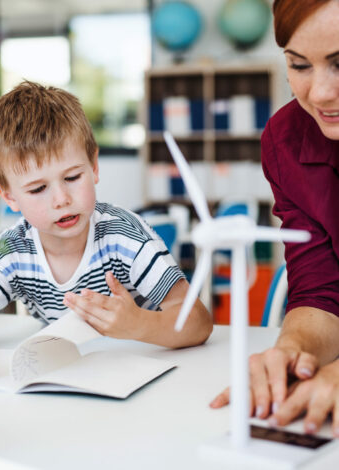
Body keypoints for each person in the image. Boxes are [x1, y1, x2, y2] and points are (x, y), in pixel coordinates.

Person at [0, 80, 213, 384]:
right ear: (9, 197)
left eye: (73, 177)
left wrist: (139, 324)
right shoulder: (11, 253)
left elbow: (198, 321)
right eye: (38, 188)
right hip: (67, 378)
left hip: (143, 373)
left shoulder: (123, 236)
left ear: (94, 167)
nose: (61, 199)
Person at [210, 0, 339, 437]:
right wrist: (293, 352)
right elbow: (321, 290)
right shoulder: (286, 140)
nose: (320, 93)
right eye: (300, 65)